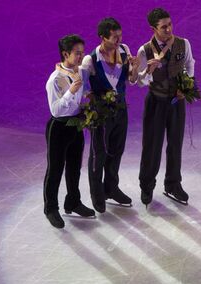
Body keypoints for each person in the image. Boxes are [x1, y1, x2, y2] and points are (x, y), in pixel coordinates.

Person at [135, 8, 196, 206]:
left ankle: (173, 185)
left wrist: (185, 86)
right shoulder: (144, 50)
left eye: (170, 24)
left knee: (175, 144)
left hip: (176, 102)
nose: (169, 29)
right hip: (156, 102)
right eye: (163, 27)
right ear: (153, 28)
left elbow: (189, 64)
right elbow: (139, 81)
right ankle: (146, 185)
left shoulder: (182, 43)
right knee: (152, 146)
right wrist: (147, 71)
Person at [81, 17, 140, 213]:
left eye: (120, 35)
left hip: (121, 110)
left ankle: (111, 188)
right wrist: (94, 100)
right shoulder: (90, 60)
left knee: (116, 150)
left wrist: (136, 67)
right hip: (101, 114)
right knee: (99, 154)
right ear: (102, 38)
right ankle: (97, 194)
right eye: (114, 37)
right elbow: (81, 88)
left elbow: (131, 80)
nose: (119, 40)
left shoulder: (124, 50)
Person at [44, 34, 95, 229]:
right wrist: (71, 91)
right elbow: (55, 110)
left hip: (76, 124)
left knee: (74, 168)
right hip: (58, 127)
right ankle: (51, 208)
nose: (82, 57)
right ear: (65, 54)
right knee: (55, 169)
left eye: (82, 52)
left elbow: (86, 91)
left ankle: (73, 201)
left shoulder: (81, 72)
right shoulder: (55, 79)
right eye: (77, 53)